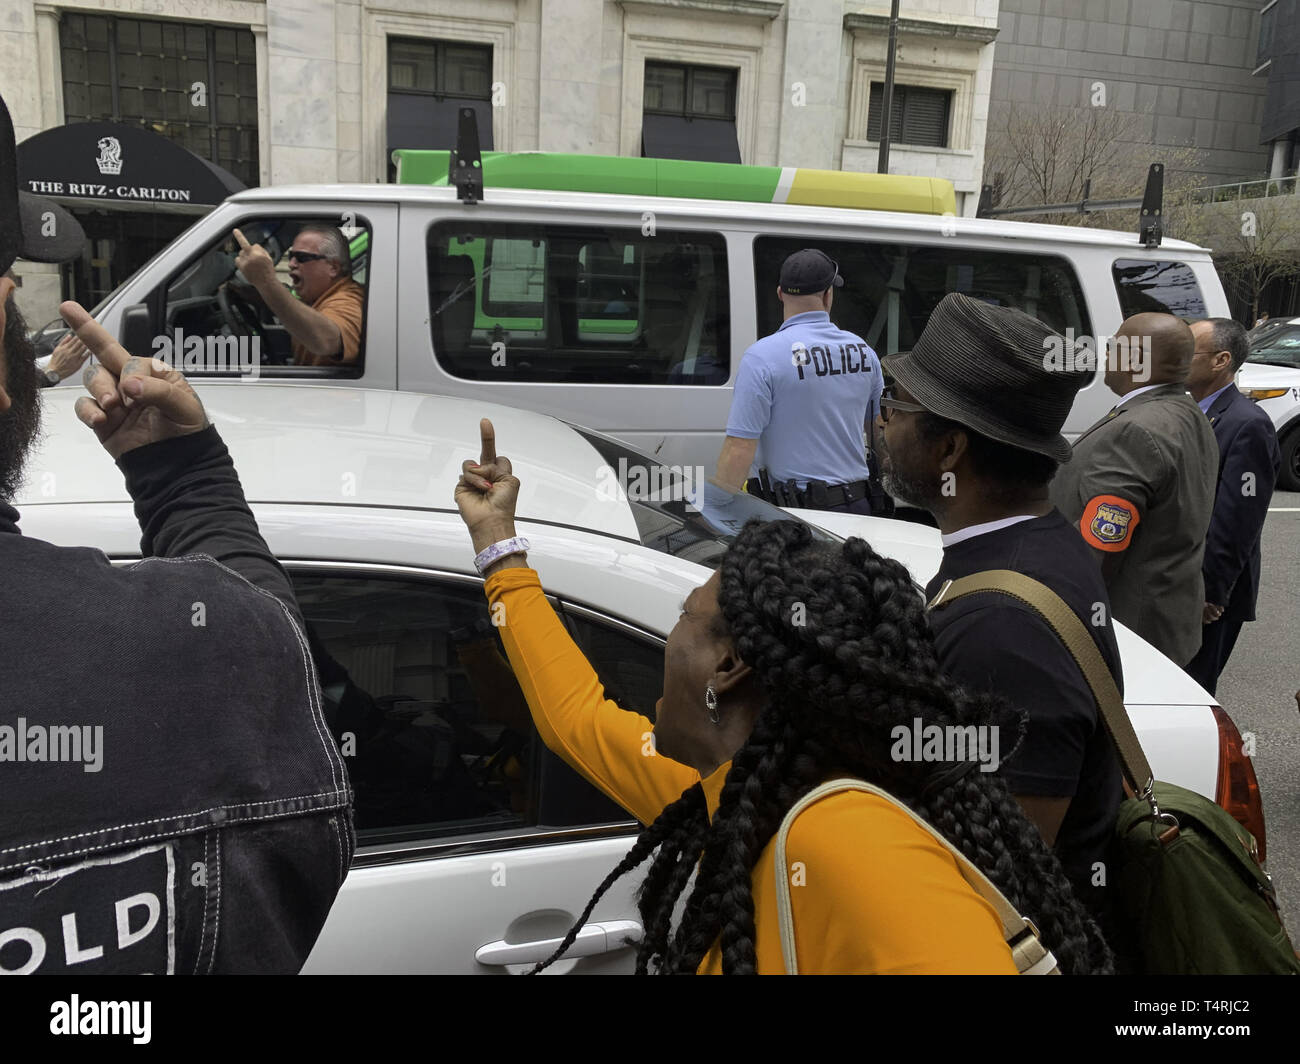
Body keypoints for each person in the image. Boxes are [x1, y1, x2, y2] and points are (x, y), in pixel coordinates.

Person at [453, 418, 1112, 975]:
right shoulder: (735, 795)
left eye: (685, 617)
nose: (669, 642)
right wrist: (499, 550)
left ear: (729, 666)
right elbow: (577, 719)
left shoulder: (851, 847)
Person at [0, 91, 353, 973]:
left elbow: (320, 338)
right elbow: (259, 641)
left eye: (302, 255)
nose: (291, 264)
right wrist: (185, 478)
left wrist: (267, 284)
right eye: (11, 291)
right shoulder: (173, 656)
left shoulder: (337, 304)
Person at [875, 293, 1121, 923]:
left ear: (950, 450)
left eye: (894, 407)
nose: (883, 424)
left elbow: (1001, 884)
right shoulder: (1032, 544)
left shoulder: (1002, 627)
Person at [1049, 313, 1217, 667]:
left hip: (1126, 631)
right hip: (1164, 621)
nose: (1106, 353)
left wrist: (1060, 622)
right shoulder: (1188, 413)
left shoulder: (1136, 430)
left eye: (1114, 346)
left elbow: (1101, 548)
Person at [714, 249, 886, 514]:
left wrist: (713, 510)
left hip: (797, 515)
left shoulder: (762, 357)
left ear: (780, 293)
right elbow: (878, 433)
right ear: (829, 294)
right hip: (860, 506)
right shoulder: (864, 351)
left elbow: (739, 448)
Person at [1184, 317, 1281, 694]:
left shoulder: (1247, 423)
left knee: (1192, 690)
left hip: (1211, 596)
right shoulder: (1193, 410)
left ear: (1221, 360)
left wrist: (1211, 591)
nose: (1178, 357)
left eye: (1189, 351)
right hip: (1184, 586)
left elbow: (1238, 519)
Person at [233, 223, 364, 367]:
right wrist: (261, 295)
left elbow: (327, 340)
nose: (291, 264)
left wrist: (266, 281)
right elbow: (299, 312)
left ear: (333, 267)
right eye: (291, 256)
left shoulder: (348, 301)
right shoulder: (321, 298)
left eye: (301, 257)